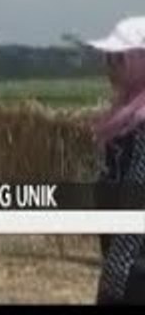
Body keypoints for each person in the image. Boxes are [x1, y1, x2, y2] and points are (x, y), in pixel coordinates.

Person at [86, 16, 145, 305]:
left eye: (118, 58)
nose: (109, 66)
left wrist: (115, 285)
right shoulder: (123, 118)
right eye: (108, 58)